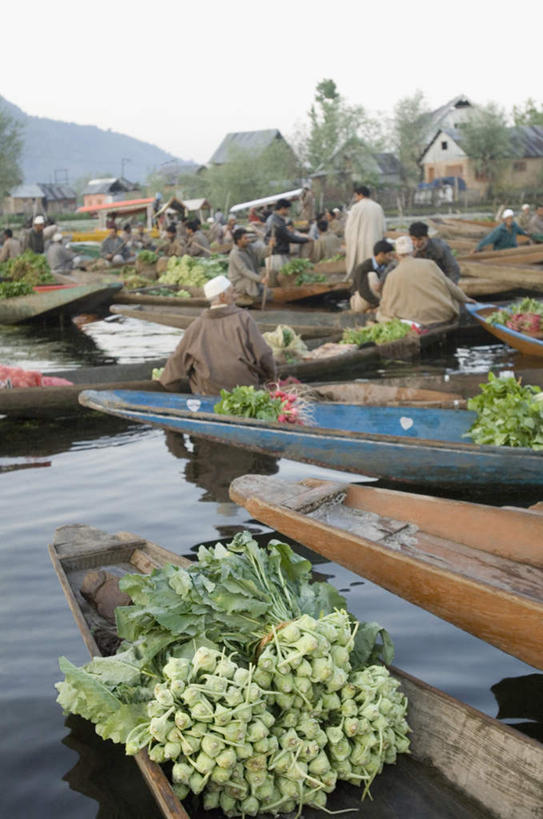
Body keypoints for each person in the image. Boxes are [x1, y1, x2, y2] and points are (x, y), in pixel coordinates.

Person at [159, 274, 276, 395]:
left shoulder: (196, 325)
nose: (236, 296)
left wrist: (167, 387)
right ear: (223, 296)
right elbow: (264, 353)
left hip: (210, 391)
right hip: (246, 389)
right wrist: (271, 378)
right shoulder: (244, 318)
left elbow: (177, 360)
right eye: (232, 292)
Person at [378, 236, 473, 326]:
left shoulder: (391, 276)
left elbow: (384, 304)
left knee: (381, 314)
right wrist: (465, 299)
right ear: (413, 251)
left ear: (397, 255)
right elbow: (450, 286)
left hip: (412, 320)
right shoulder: (430, 264)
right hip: (441, 315)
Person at [344, 185, 386, 277]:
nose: (356, 198)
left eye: (356, 196)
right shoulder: (378, 207)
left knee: (361, 264)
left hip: (360, 242)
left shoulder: (356, 207)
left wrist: (349, 241)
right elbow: (383, 227)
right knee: (373, 264)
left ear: (360, 194)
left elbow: (349, 228)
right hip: (374, 241)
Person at [265, 199, 311, 273]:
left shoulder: (273, 218)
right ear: (283, 208)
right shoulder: (276, 221)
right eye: (288, 209)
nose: (288, 211)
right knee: (281, 276)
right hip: (278, 253)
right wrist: (305, 239)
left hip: (277, 252)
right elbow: (288, 237)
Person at [350, 239, 395, 312]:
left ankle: (375, 309)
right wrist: (380, 303)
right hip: (360, 300)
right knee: (372, 275)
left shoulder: (386, 266)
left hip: (376, 300)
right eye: (389, 255)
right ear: (381, 255)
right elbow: (363, 291)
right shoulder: (363, 267)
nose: (391, 258)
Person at [228, 228, 270, 300]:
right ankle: (255, 298)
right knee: (251, 281)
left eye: (247, 238)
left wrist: (270, 246)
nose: (248, 240)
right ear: (238, 241)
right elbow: (244, 271)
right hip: (238, 282)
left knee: (258, 281)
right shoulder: (235, 254)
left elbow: (262, 254)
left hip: (249, 277)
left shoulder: (249, 247)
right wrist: (260, 279)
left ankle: (258, 295)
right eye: (245, 238)